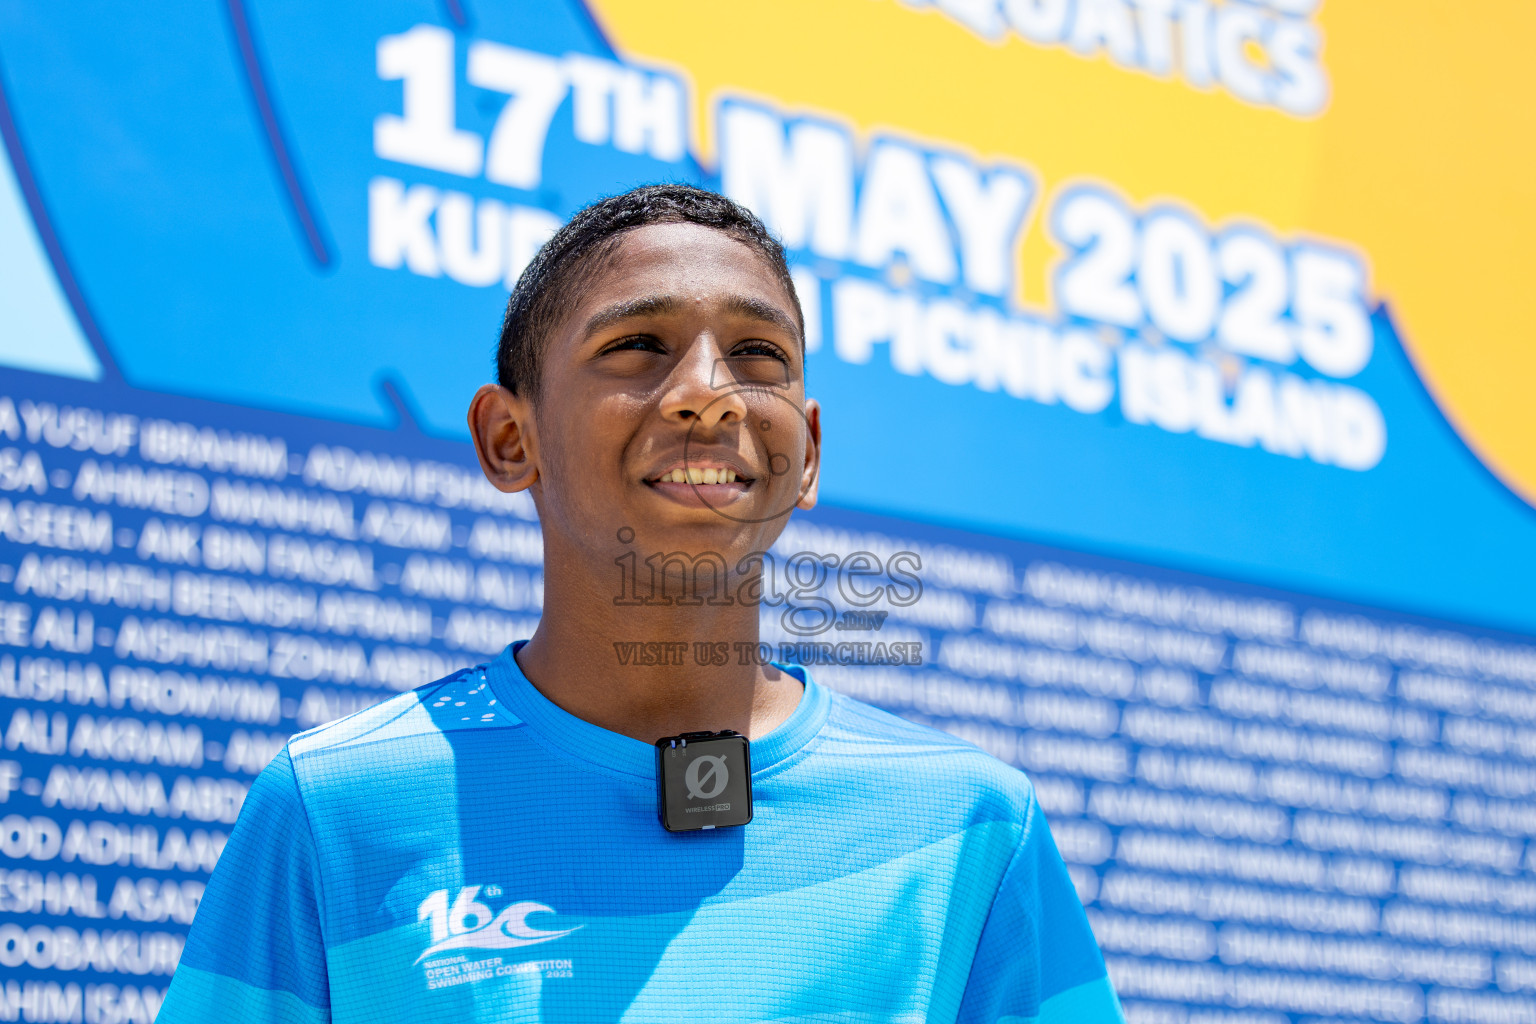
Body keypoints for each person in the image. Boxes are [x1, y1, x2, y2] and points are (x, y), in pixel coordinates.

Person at [157, 184, 1124, 1023]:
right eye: (637, 345)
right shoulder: (335, 811)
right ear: (507, 440)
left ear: (809, 453)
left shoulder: (972, 827)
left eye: (757, 354)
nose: (710, 394)